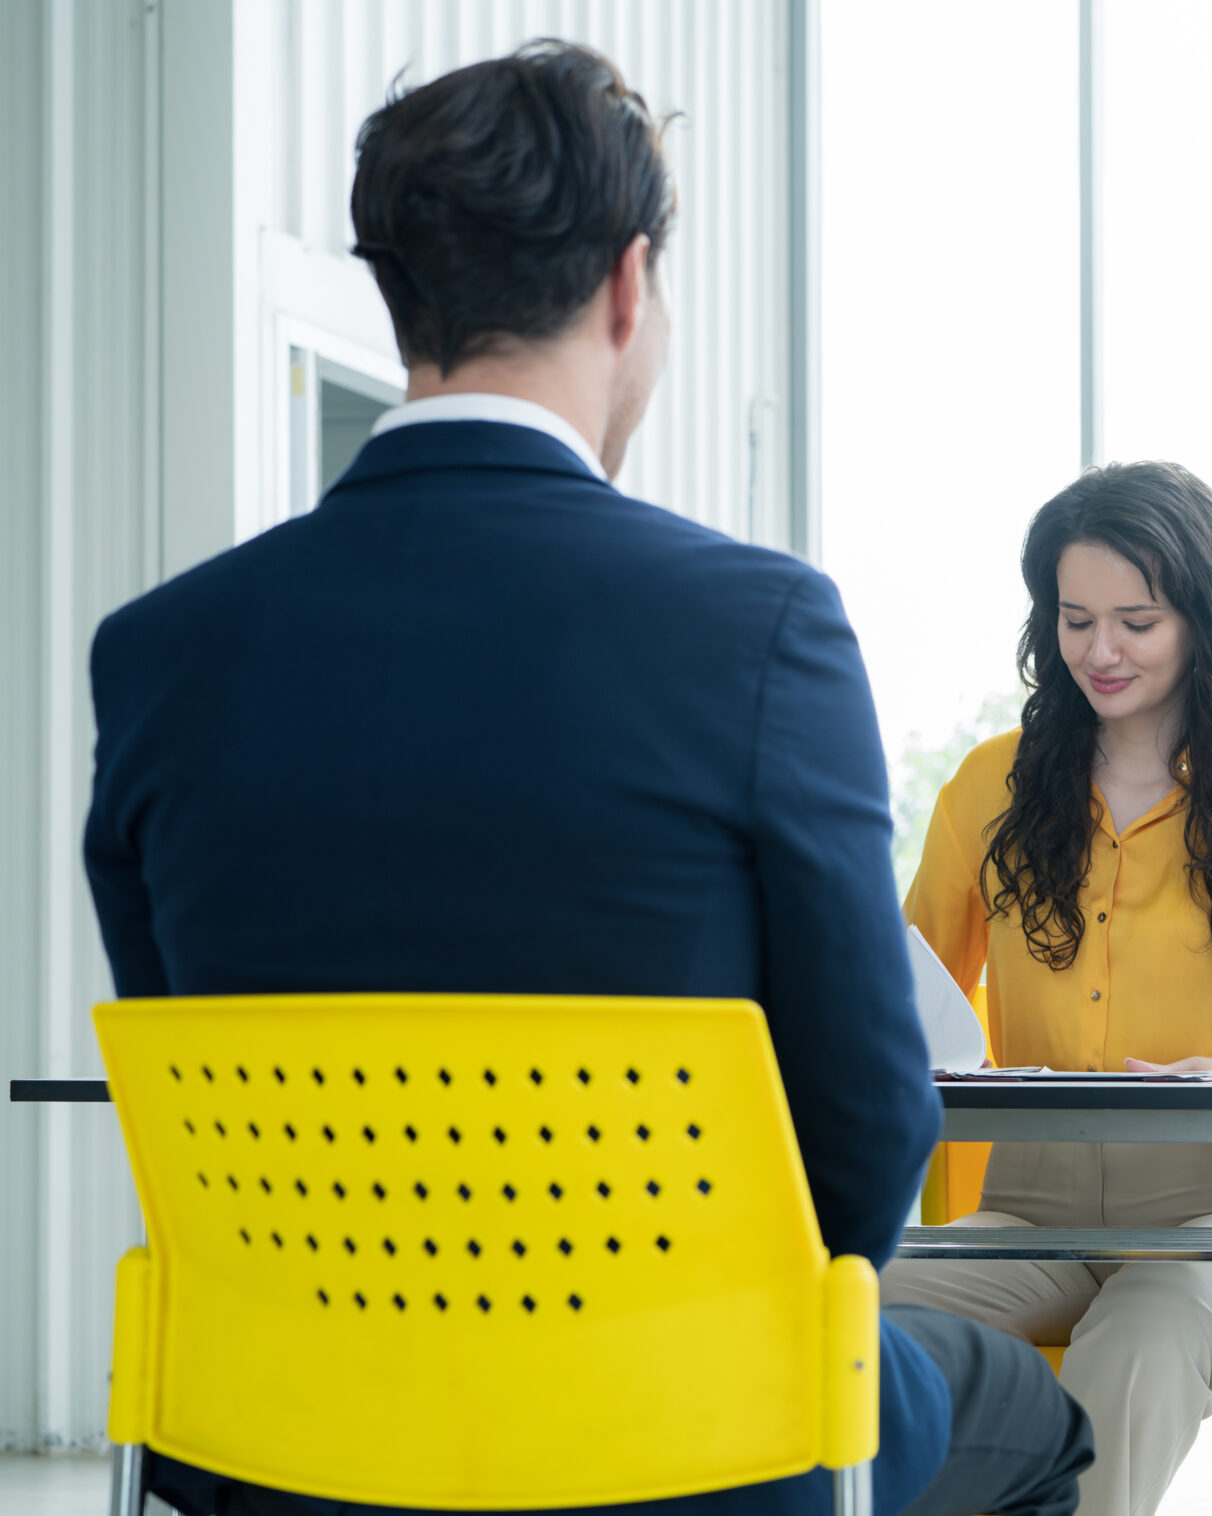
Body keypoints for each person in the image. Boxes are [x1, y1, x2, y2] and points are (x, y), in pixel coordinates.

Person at [82, 42, 1090, 1516]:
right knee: (1035, 1422)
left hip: (288, 1432)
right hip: (682, 1437)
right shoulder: (757, 626)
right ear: (631, 287)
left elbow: (186, 1061)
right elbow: (873, 1126)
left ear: (402, 295)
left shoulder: (161, 653)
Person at [880, 463, 1212, 1516]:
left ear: (1199, 618)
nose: (1100, 651)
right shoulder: (987, 790)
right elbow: (901, 997)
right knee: (841, 1311)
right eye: (1074, 619)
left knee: (1147, 1321)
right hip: (1023, 1214)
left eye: (1136, 621)